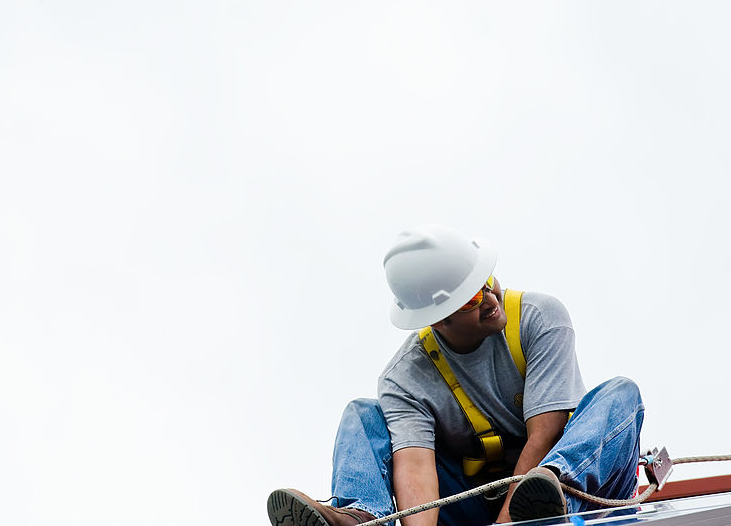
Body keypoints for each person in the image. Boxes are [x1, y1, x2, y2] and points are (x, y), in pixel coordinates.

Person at [267, 225, 644, 526]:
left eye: (486, 282)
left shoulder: (539, 318)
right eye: (471, 300)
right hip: (473, 506)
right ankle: (364, 517)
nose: (491, 300)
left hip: (570, 500)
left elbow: (546, 433)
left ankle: (550, 500)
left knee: (620, 396)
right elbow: (416, 470)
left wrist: (509, 522)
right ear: (439, 320)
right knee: (362, 414)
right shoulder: (405, 379)